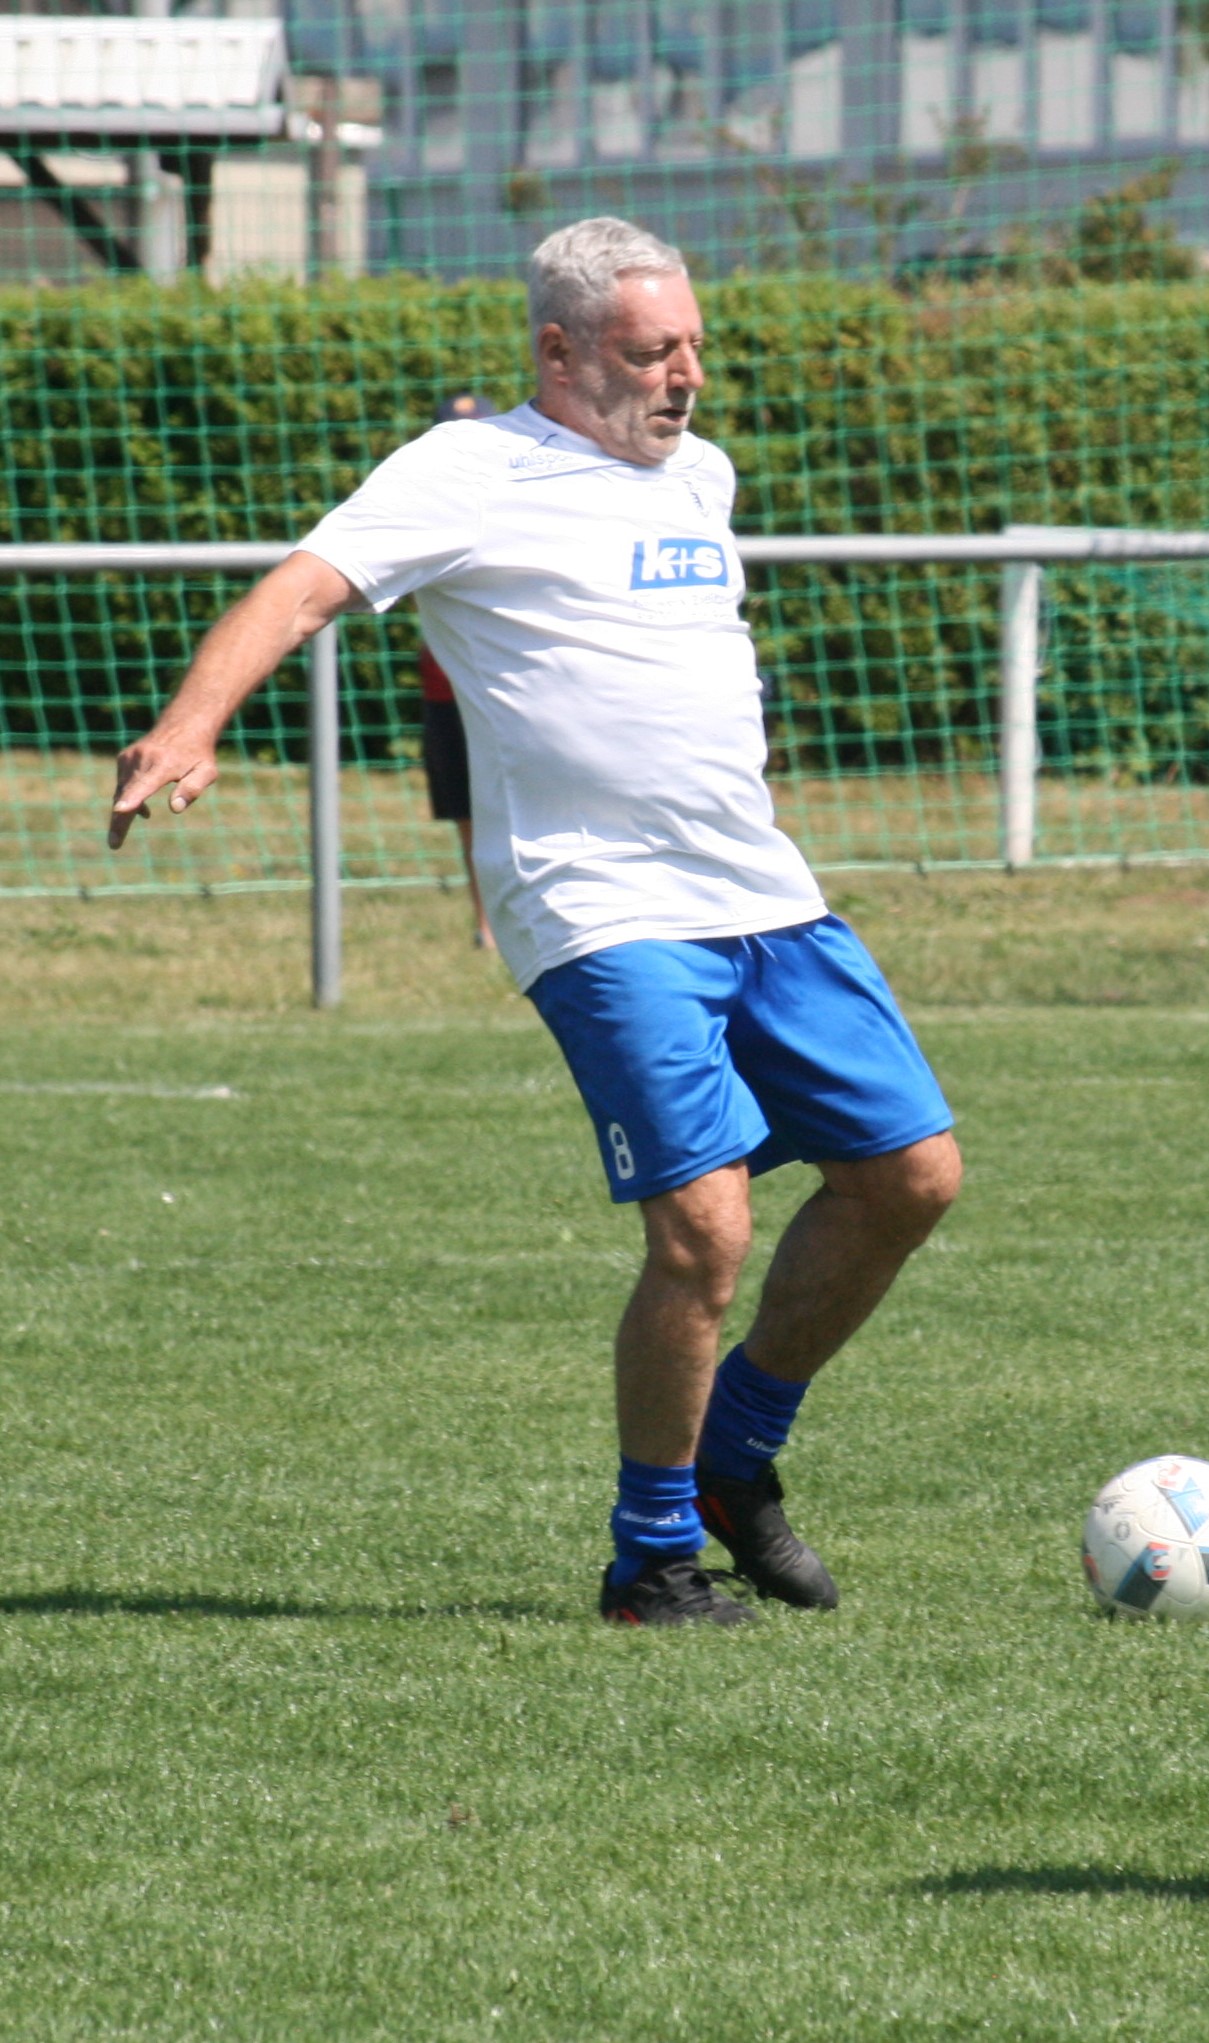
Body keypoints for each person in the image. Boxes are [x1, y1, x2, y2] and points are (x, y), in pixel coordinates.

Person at [108, 217, 963, 1629]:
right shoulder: (468, 471)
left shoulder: (703, 477)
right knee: (703, 1225)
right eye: (649, 351)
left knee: (912, 1176)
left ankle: (735, 1464)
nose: (683, 375)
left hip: (761, 890)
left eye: (692, 345)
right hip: (599, 905)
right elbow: (303, 586)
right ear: (559, 352)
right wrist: (189, 725)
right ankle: (651, 1561)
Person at [417, 390, 497, 949]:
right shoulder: (422, 502)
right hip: (448, 690)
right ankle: (486, 924)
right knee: (467, 812)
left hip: (513, 693)